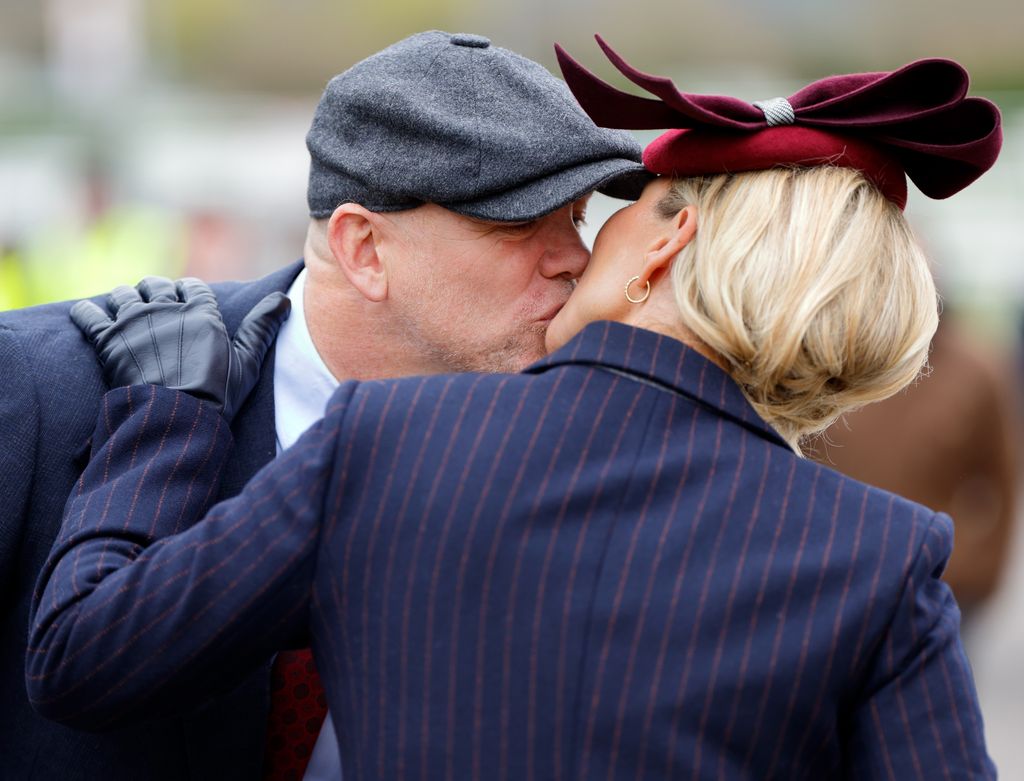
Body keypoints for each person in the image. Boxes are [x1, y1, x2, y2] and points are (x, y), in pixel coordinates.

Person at [28, 44, 1002, 779]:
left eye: (601, 211)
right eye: (527, 221)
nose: (580, 248)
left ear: (666, 246)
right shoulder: (882, 556)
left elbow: (86, 652)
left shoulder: (390, 441)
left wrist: (169, 406)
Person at [0, 30, 646, 780]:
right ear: (363, 249)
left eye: (574, 216)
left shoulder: (584, 435)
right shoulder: (37, 386)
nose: (575, 257)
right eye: (515, 223)